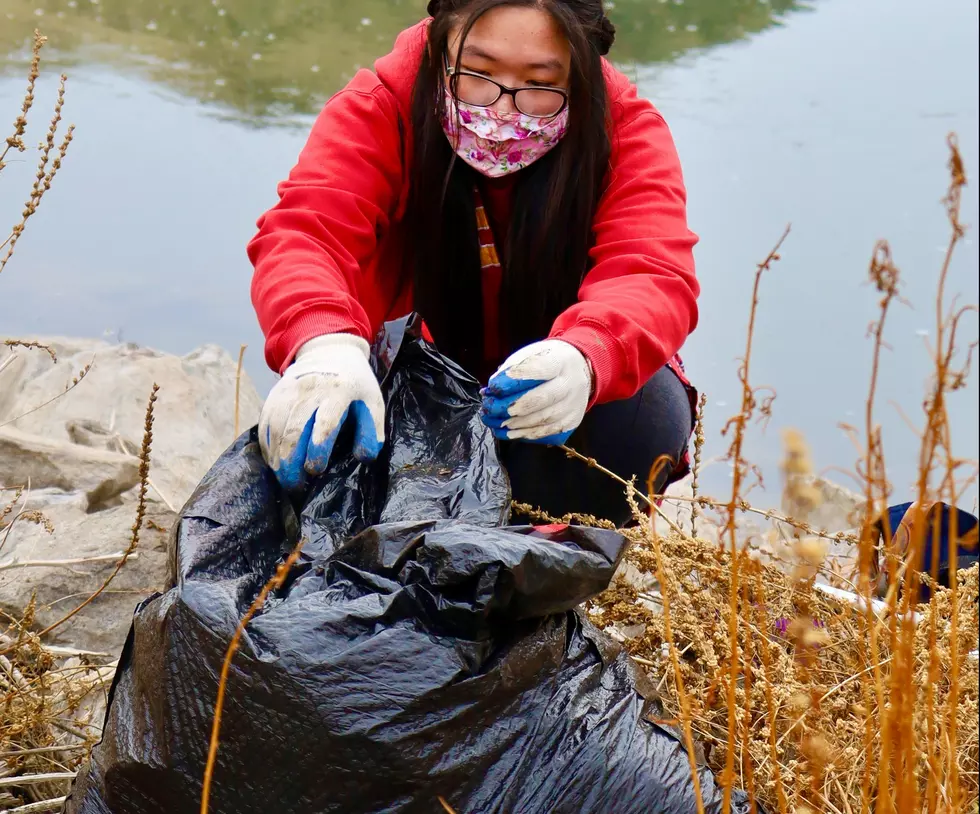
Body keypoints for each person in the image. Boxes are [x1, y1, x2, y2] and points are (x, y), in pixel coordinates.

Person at [248, 0, 700, 527]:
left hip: (549, 390)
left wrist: (587, 355)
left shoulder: (621, 129)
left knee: (644, 422)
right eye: (478, 74)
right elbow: (308, 231)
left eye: (539, 84)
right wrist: (325, 344)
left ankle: (544, 547)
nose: (502, 111)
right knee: (321, 425)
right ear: (442, 42)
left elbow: (652, 270)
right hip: (407, 377)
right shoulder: (383, 103)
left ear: (579, 74)